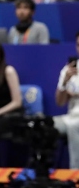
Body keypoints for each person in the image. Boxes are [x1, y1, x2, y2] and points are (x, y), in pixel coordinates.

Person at [54, 32, 79, 169]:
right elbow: (60, 102)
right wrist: (65, 82)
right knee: (45, 127)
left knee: (77, 125)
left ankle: (76, 173)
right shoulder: (68, 70)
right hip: (70, 116)